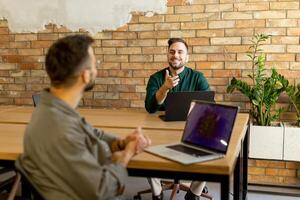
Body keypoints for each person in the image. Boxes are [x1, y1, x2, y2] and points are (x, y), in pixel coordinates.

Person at [15, 34, 151, 200]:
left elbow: (92, 134)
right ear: (85, 75)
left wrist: (121, 143)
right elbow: (102, 190)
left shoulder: (54, 108)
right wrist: (126, 155)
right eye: (94, 64)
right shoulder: (61, 128)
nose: (96, 69)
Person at [145, 38, 210, 200]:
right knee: (145, 148)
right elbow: (151, 107)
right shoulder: (156, 78)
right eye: (172, 51)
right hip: (161, 131)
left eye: (180, 52)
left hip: (192, 130)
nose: (176, 55)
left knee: (214, 149)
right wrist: (165, 88)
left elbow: (209, 107)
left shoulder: (198, 78)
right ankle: (157, 193)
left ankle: (194, 193)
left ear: (187, 57)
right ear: (168, 55)